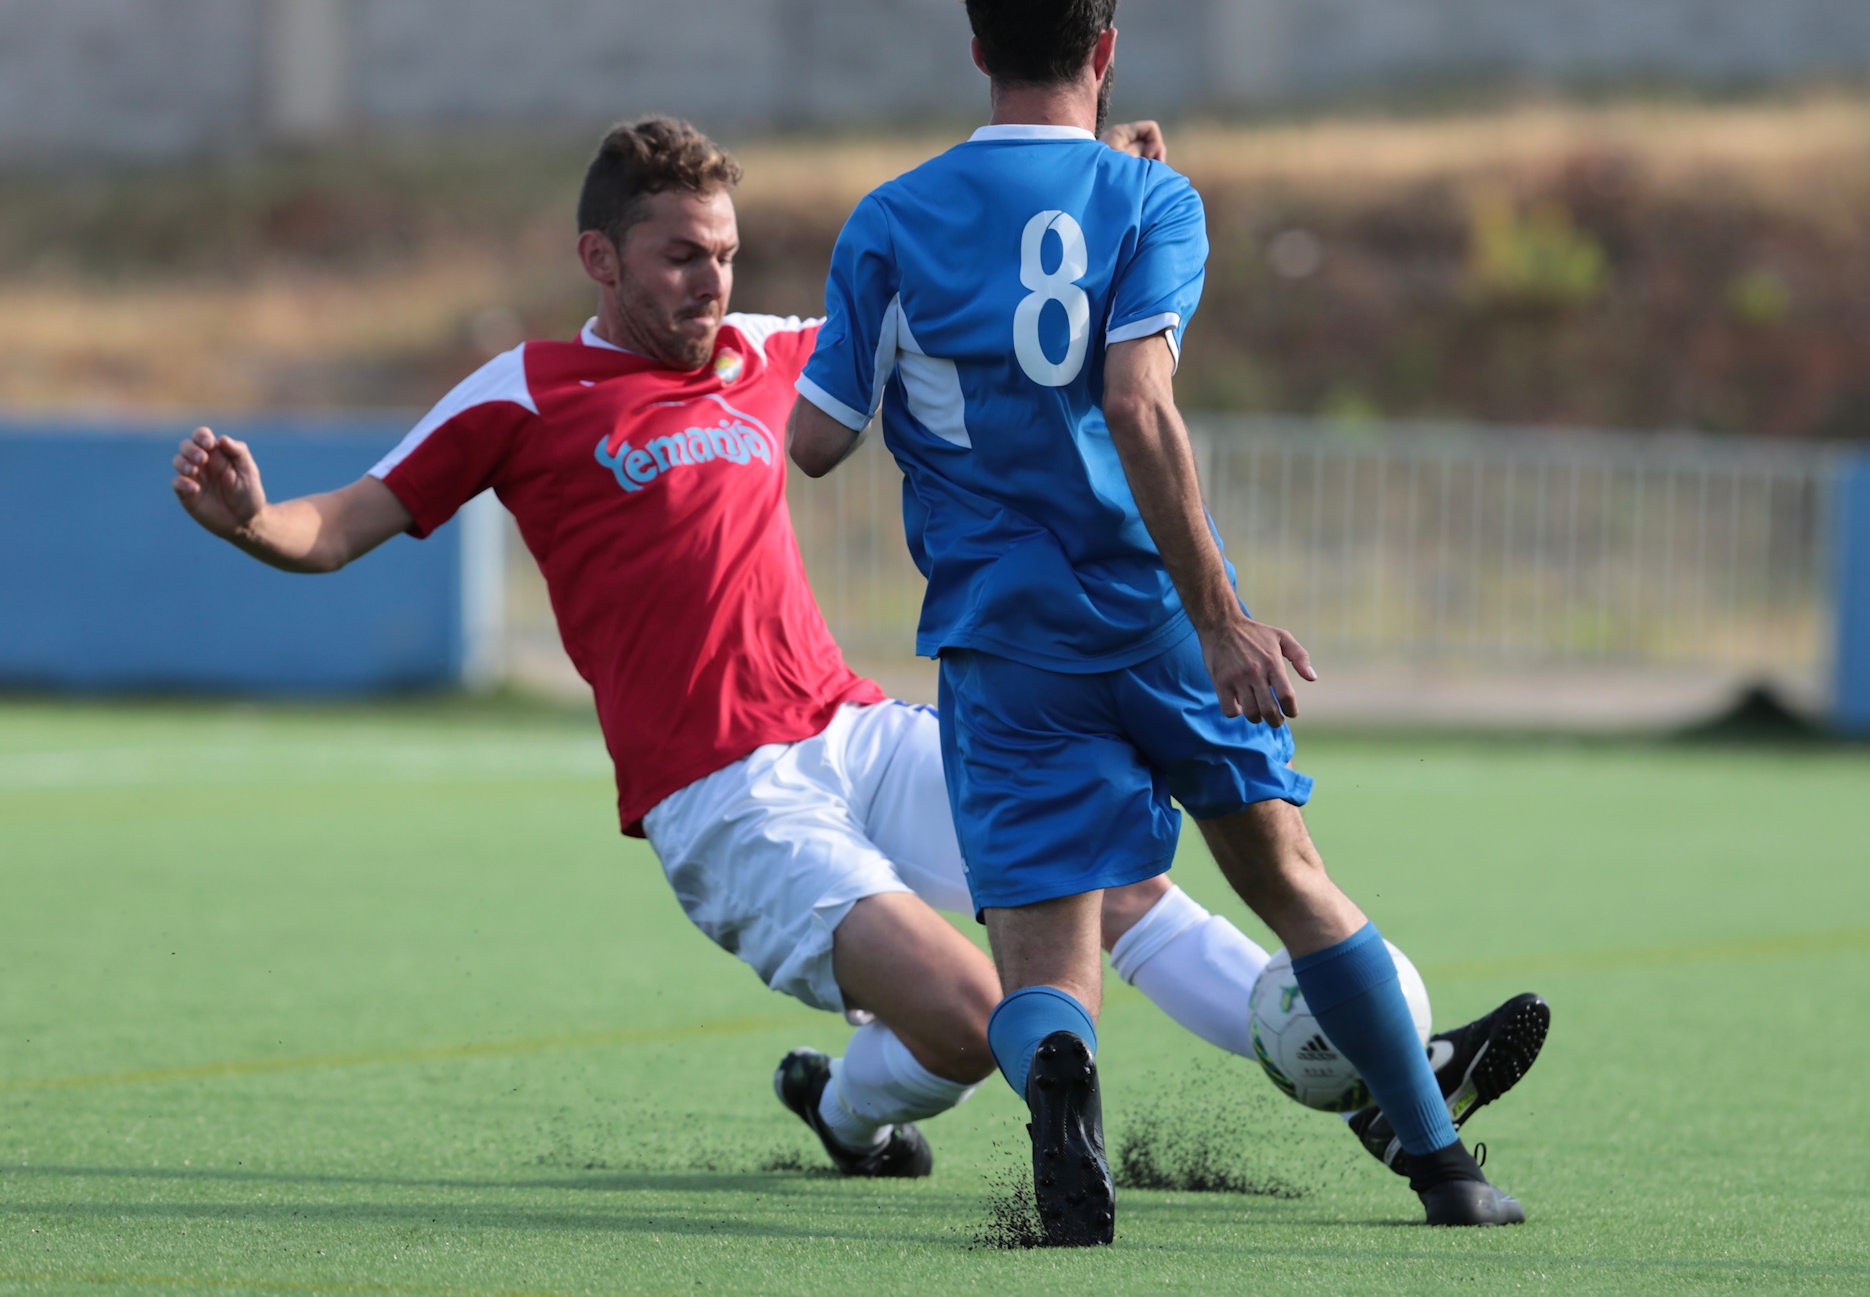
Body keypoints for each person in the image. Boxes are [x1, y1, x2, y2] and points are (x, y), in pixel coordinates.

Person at [167, 116, 1294, 1178]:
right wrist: (255, 521)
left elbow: (964, 294)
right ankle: (845, 1112)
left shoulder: (767, 350)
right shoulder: (525, 392)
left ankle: (1342, 1054)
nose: (711, 281)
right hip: (725, 794)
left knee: (1113, 881)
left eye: (724, 255)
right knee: (973, 1019)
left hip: (854, 729)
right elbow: (342, 526)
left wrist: (1087, 179)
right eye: (680, 257)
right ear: (599, 258)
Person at [789, 0, 1538, 1242]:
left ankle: (1061, 1098)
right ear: (1106, 50)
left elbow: (817, 442)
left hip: (1002, 636)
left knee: (1045, 946)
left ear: (977, 49)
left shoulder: (889, 222)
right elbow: (1134, 403)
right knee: (1287, 877)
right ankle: (1442, 1167)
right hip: (1155, 614)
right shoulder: (1151, 199)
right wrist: (1222, 620)